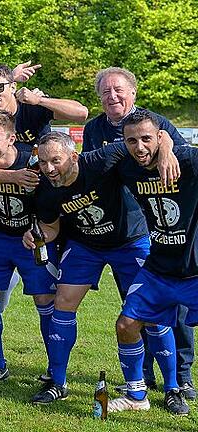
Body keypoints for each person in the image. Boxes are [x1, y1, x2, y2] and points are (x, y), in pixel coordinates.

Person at [22, 131, 174, 404]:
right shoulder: (45, 189)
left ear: (73, 156)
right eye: (43, 162)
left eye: (55, 160)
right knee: (63, 302)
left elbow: (146, 140)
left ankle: (172, 388)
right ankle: (58, 383)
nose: (49, 168)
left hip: (130, 242)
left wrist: (167, 153)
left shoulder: (102, 159)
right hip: (85, 246)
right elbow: (51, 227)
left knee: (151, 312)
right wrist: (37, 234)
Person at [83, 67, 194, 400]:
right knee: (134, 307)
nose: (113, 96)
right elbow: (93, 168)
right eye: (105, 92)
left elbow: (179, 153)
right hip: (116, 228)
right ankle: (142, 376)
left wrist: (168, 147)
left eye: (119, 90)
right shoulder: (94, 129)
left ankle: (182, 376)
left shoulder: (157, 122)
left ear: (133, 93)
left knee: (176, 311)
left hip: (151, 230)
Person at [106, 110, 197, 415]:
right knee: (127, 325)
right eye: (132, 140)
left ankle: (176, 386)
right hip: (158, 268)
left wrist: (171, 150)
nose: (140, 146)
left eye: (147, 138)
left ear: (160, 136)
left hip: (195, 270)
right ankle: (136, 395)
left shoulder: (188, 162)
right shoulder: (126, 168)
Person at [0, 110, 58, 385]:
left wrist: (41, 230)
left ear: (11, 139)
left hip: (30, 239)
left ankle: (56, 369)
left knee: (45, 302)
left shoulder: (31, 162)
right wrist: (10, 178)